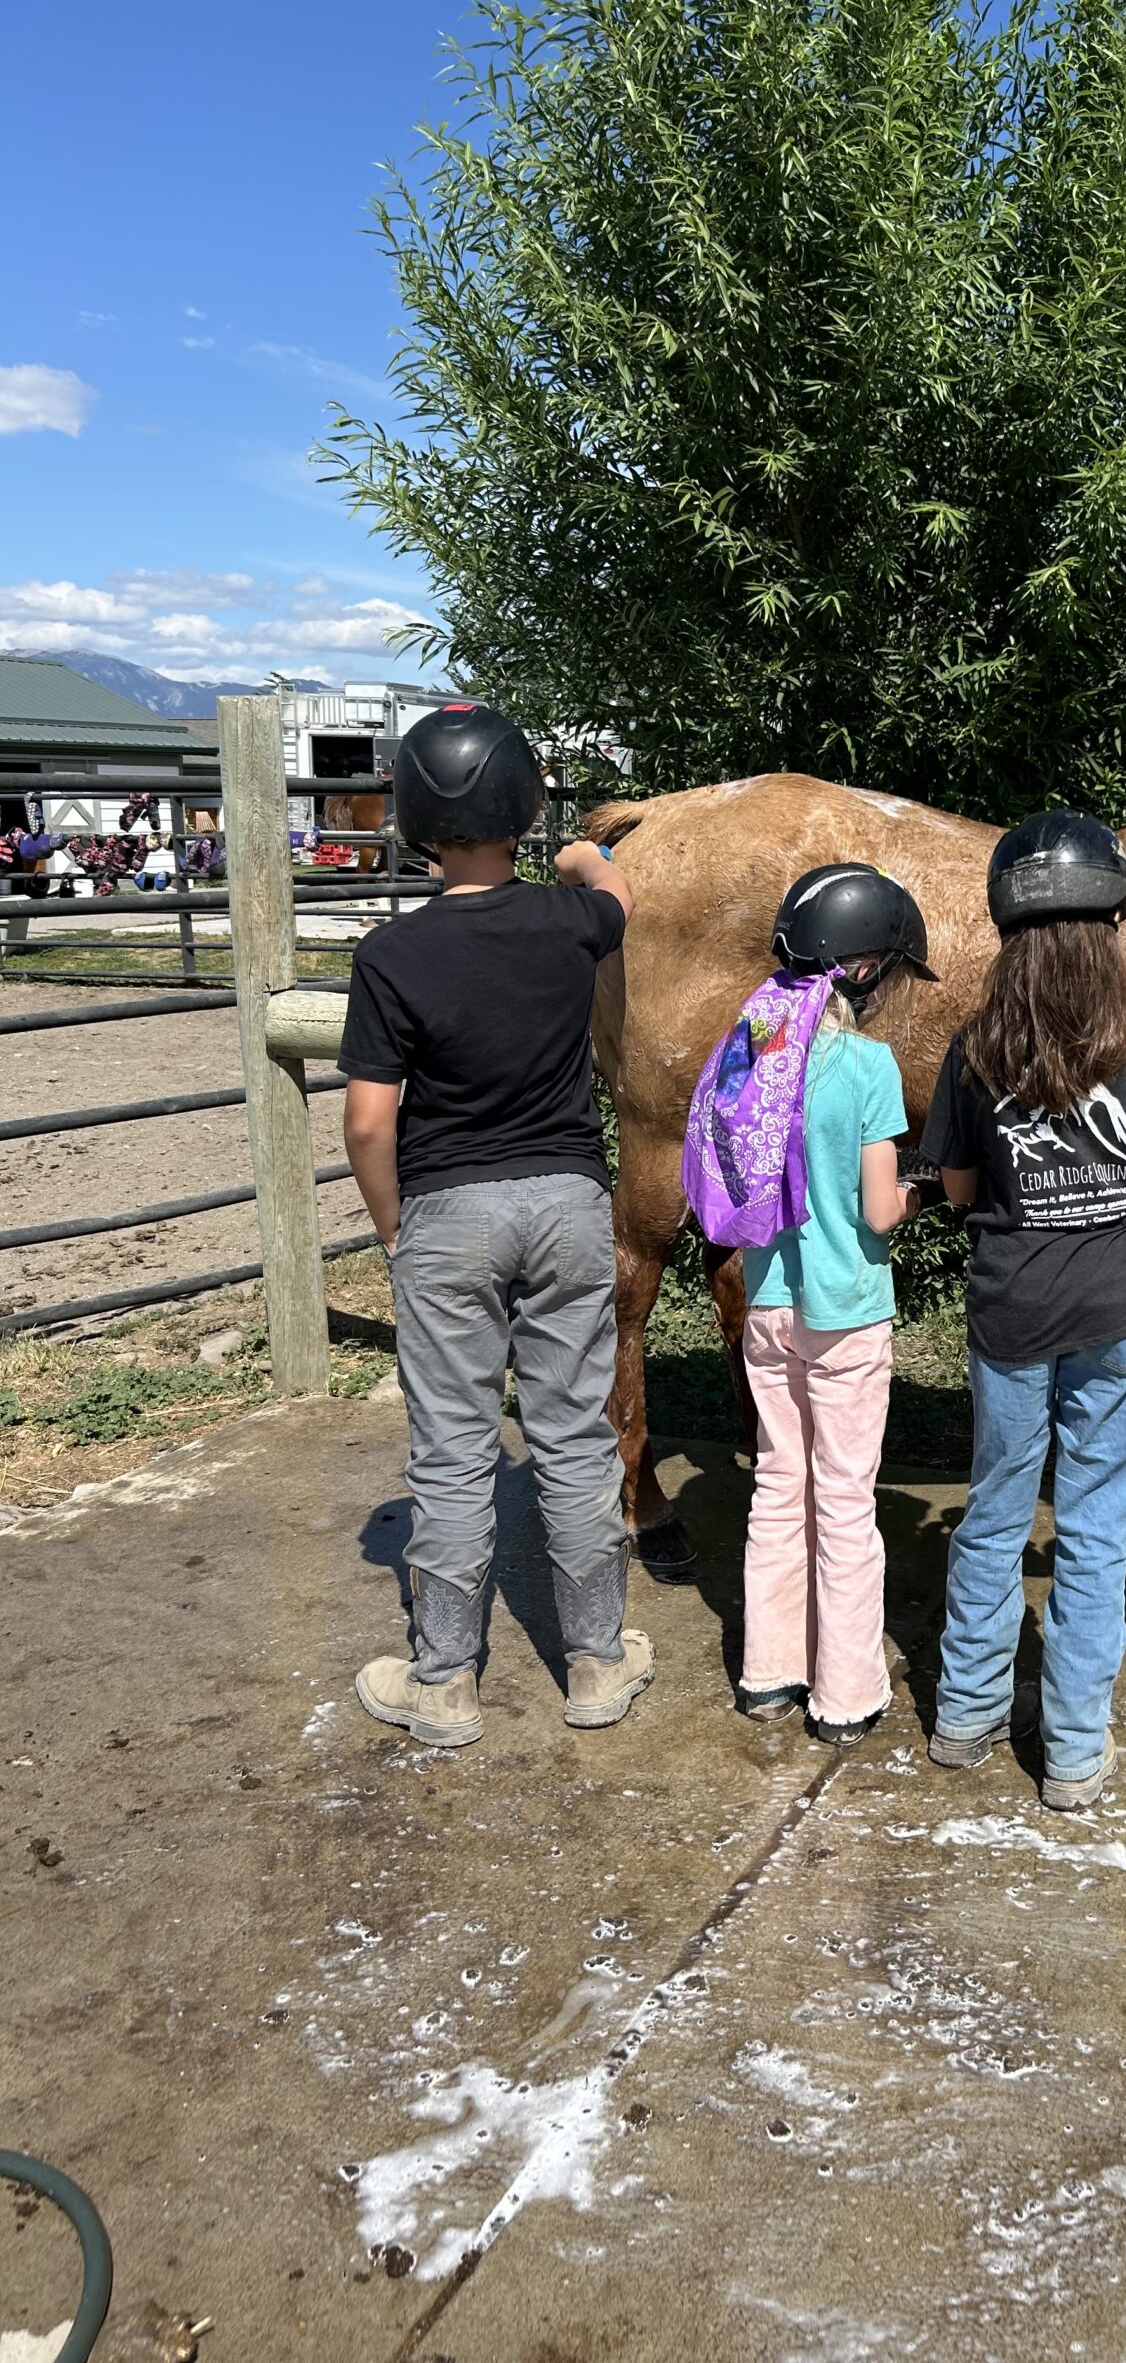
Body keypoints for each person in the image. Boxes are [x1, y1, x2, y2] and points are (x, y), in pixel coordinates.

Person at [340, 701, 652, 1750]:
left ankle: (444, 1684)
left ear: (417, 819)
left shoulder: (388, 956)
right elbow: (615, 888)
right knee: (571, 1432)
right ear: (520, 808)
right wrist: (578, 852)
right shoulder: (571, 923)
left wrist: (395, 1228)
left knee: (454, 1449)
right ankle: (600, 1665)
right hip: (566, 1201)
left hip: (447, 1211)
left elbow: (368, 1120)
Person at [922, 812, 1126, 1810]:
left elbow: (959, 1191)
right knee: (1095, 1531)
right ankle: (1075, 1752)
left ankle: (965, 1716)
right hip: (1125, 1312)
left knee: (996, 1513)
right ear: (1113, 923)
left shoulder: (974, 1049)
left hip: (1012, 1310)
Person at [721, 864, 938, 1746]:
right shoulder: (868, 1065)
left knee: (778, 1485)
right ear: (867, 971)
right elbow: (882, 1208)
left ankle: (768, 1674)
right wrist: (924, 1191)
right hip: (845, 1309)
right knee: (845, 1500)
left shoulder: (752, 1045)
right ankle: (845, 1694)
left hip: (766, 1303)